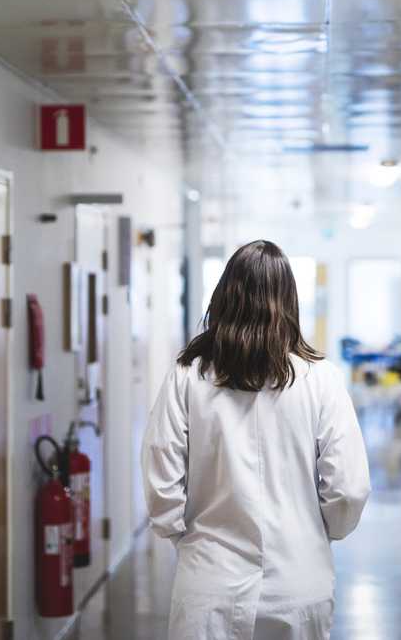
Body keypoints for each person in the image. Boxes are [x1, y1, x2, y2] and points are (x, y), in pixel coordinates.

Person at [142, 240, 371, 640]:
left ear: (224, 297)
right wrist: (316, 534)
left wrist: (190, 541)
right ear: (288, 301)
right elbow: (349, 489)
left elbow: (161, 477)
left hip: (208, 584)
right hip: (299, 584)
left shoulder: (187, 376)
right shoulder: (321, 379)